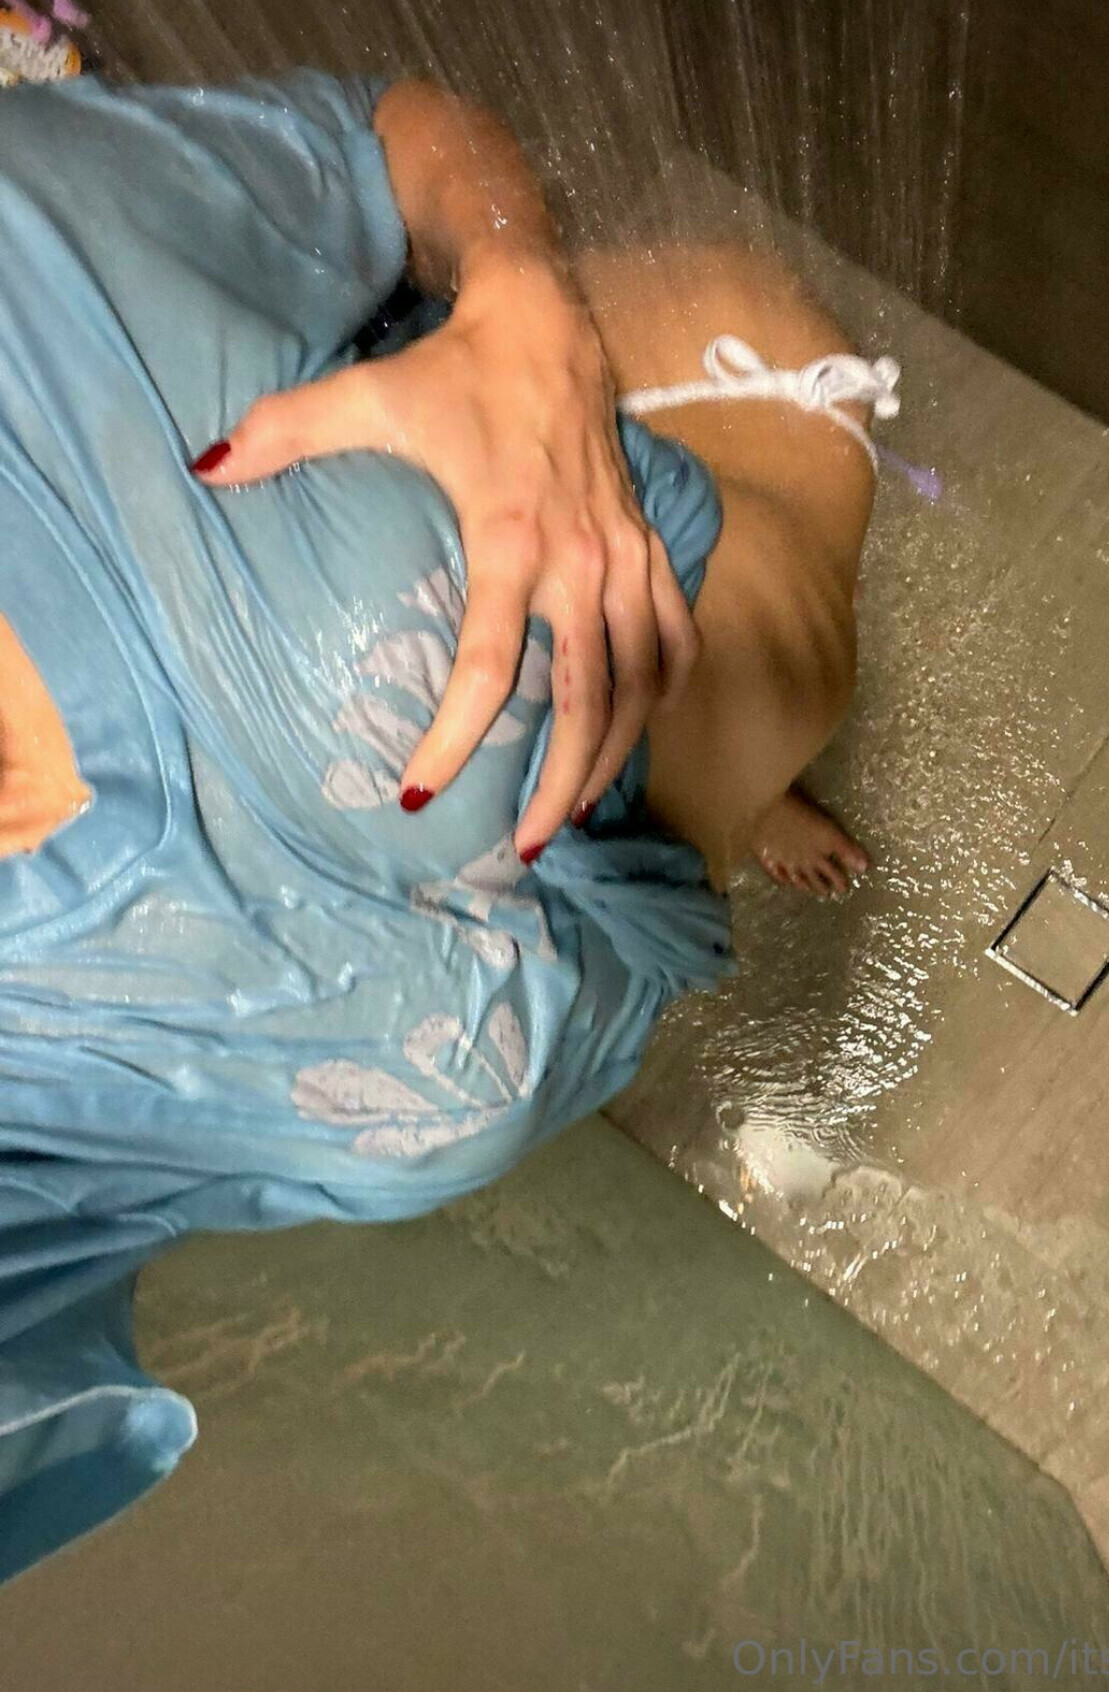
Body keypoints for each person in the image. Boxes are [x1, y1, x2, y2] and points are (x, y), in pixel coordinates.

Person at [0, 68, 883, 1582]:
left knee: (711, 618)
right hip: (639, 888)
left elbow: (399, 134)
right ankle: (714, 794)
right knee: (637, 739)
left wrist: (520, 298)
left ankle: (700, 745)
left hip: (719, 485)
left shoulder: (30, 269)